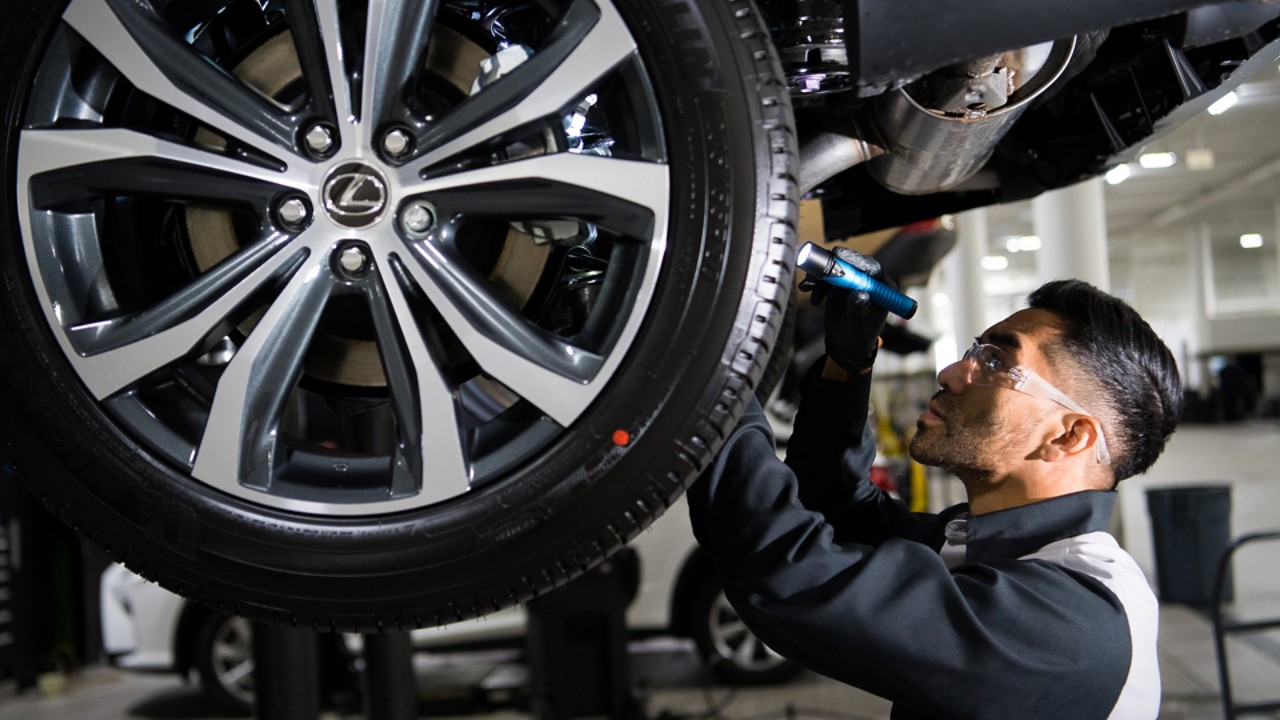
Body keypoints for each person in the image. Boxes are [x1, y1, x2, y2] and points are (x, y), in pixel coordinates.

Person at [688, 248, 1183, 720]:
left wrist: (704, 352)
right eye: (975, 350)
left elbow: (787, 575)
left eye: (995, 363)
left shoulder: (1071, 623)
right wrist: (848, 362)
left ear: (1069, 435)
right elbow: (835, 513)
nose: (950, 373)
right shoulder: (991, 547)